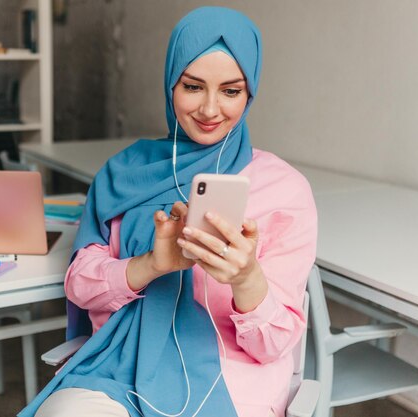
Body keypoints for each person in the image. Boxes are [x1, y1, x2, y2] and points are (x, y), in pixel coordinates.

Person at [19, 6, 317, 417]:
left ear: (250, 94)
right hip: (117, 370)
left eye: (231, 91)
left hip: (231, 382)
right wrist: (150, 265)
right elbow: (80, 286)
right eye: (193, 86)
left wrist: (247, 279)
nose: (210, 110)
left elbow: (273, 345)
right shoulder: (124, 172)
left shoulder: (283, 190)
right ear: (170, 85)